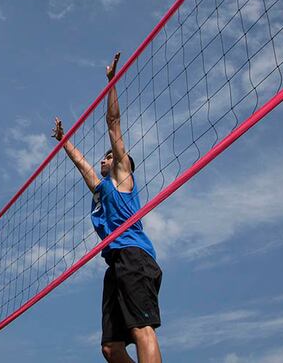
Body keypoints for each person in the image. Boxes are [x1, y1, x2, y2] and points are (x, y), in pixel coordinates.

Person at [52, 53, 162, 363]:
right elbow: (81, 164)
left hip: (135, 256)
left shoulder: (123, 176)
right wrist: (63, 140)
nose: (104, 159)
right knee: (111, 349)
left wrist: (111, 83)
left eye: (109, 157)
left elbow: (114, 124)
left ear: (122, 164)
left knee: (142, 329)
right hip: (115, 263)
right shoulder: (102, 189)